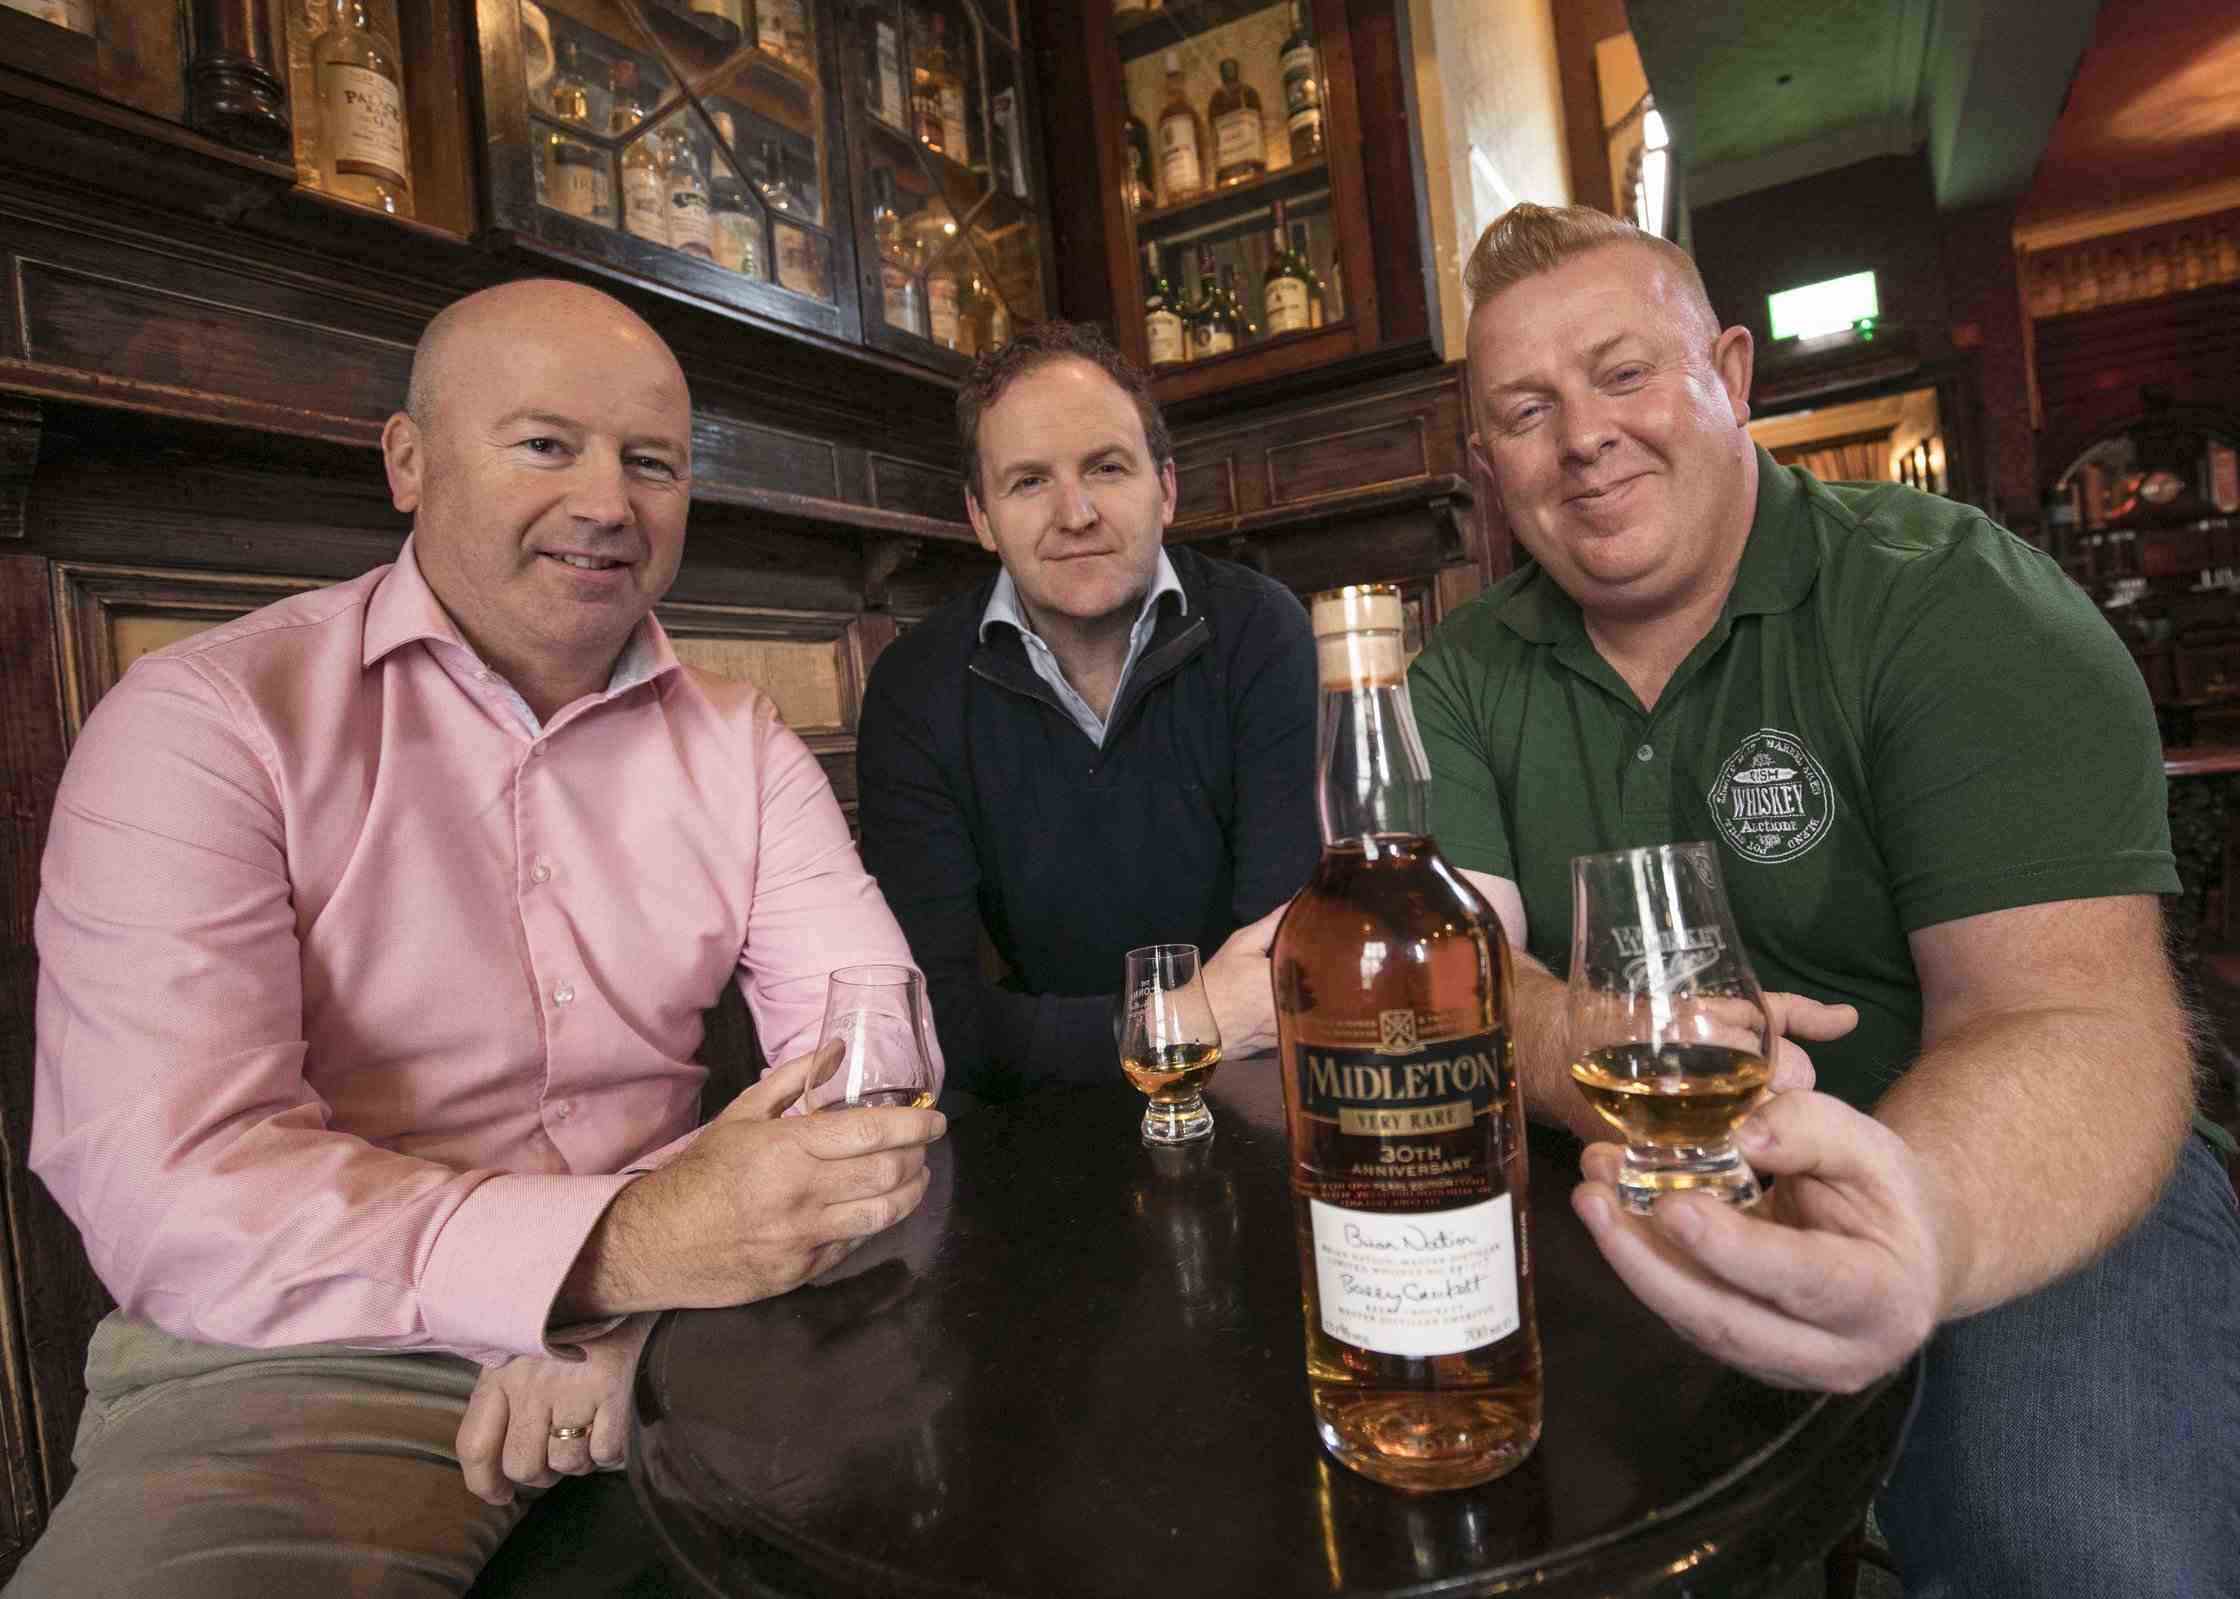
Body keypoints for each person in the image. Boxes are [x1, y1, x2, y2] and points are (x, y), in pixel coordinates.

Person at [14, 279, 948, 1596]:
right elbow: (174, 1183)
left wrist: (645, 1313)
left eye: (652, 462)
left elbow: (874, 1063)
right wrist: (608, 1249)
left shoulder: (744, 744)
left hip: (700, 1308)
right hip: (302, 1357)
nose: (608, 502)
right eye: (545, 444)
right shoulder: (205, 719)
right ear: (409, 460)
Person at [1409, 203, 2240, 1596]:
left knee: (2073, 1558)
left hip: (2026, 1186)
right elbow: (1463, 970)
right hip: (1643, 1185)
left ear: (1731, 374)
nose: (1584, 436)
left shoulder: (1953, 602)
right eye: (1526, 408)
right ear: (1490, 463)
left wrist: (1913, 1212)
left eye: (1625, 372)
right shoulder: (1464, 671)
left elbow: (2075, 1015)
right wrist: (1643, 1058)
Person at [855, 321, 1318, 1099]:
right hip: (1038, 1128)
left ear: (1164, 488)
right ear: (980, 517)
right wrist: (1188, 1018)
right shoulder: (914, 688)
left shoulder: (1259, 630)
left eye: (1106, 467)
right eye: (1029, 481)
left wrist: (1051, 1032)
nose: (1075, 513)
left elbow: (1277, 980)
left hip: (1254, 1101)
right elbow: (937, 1021)